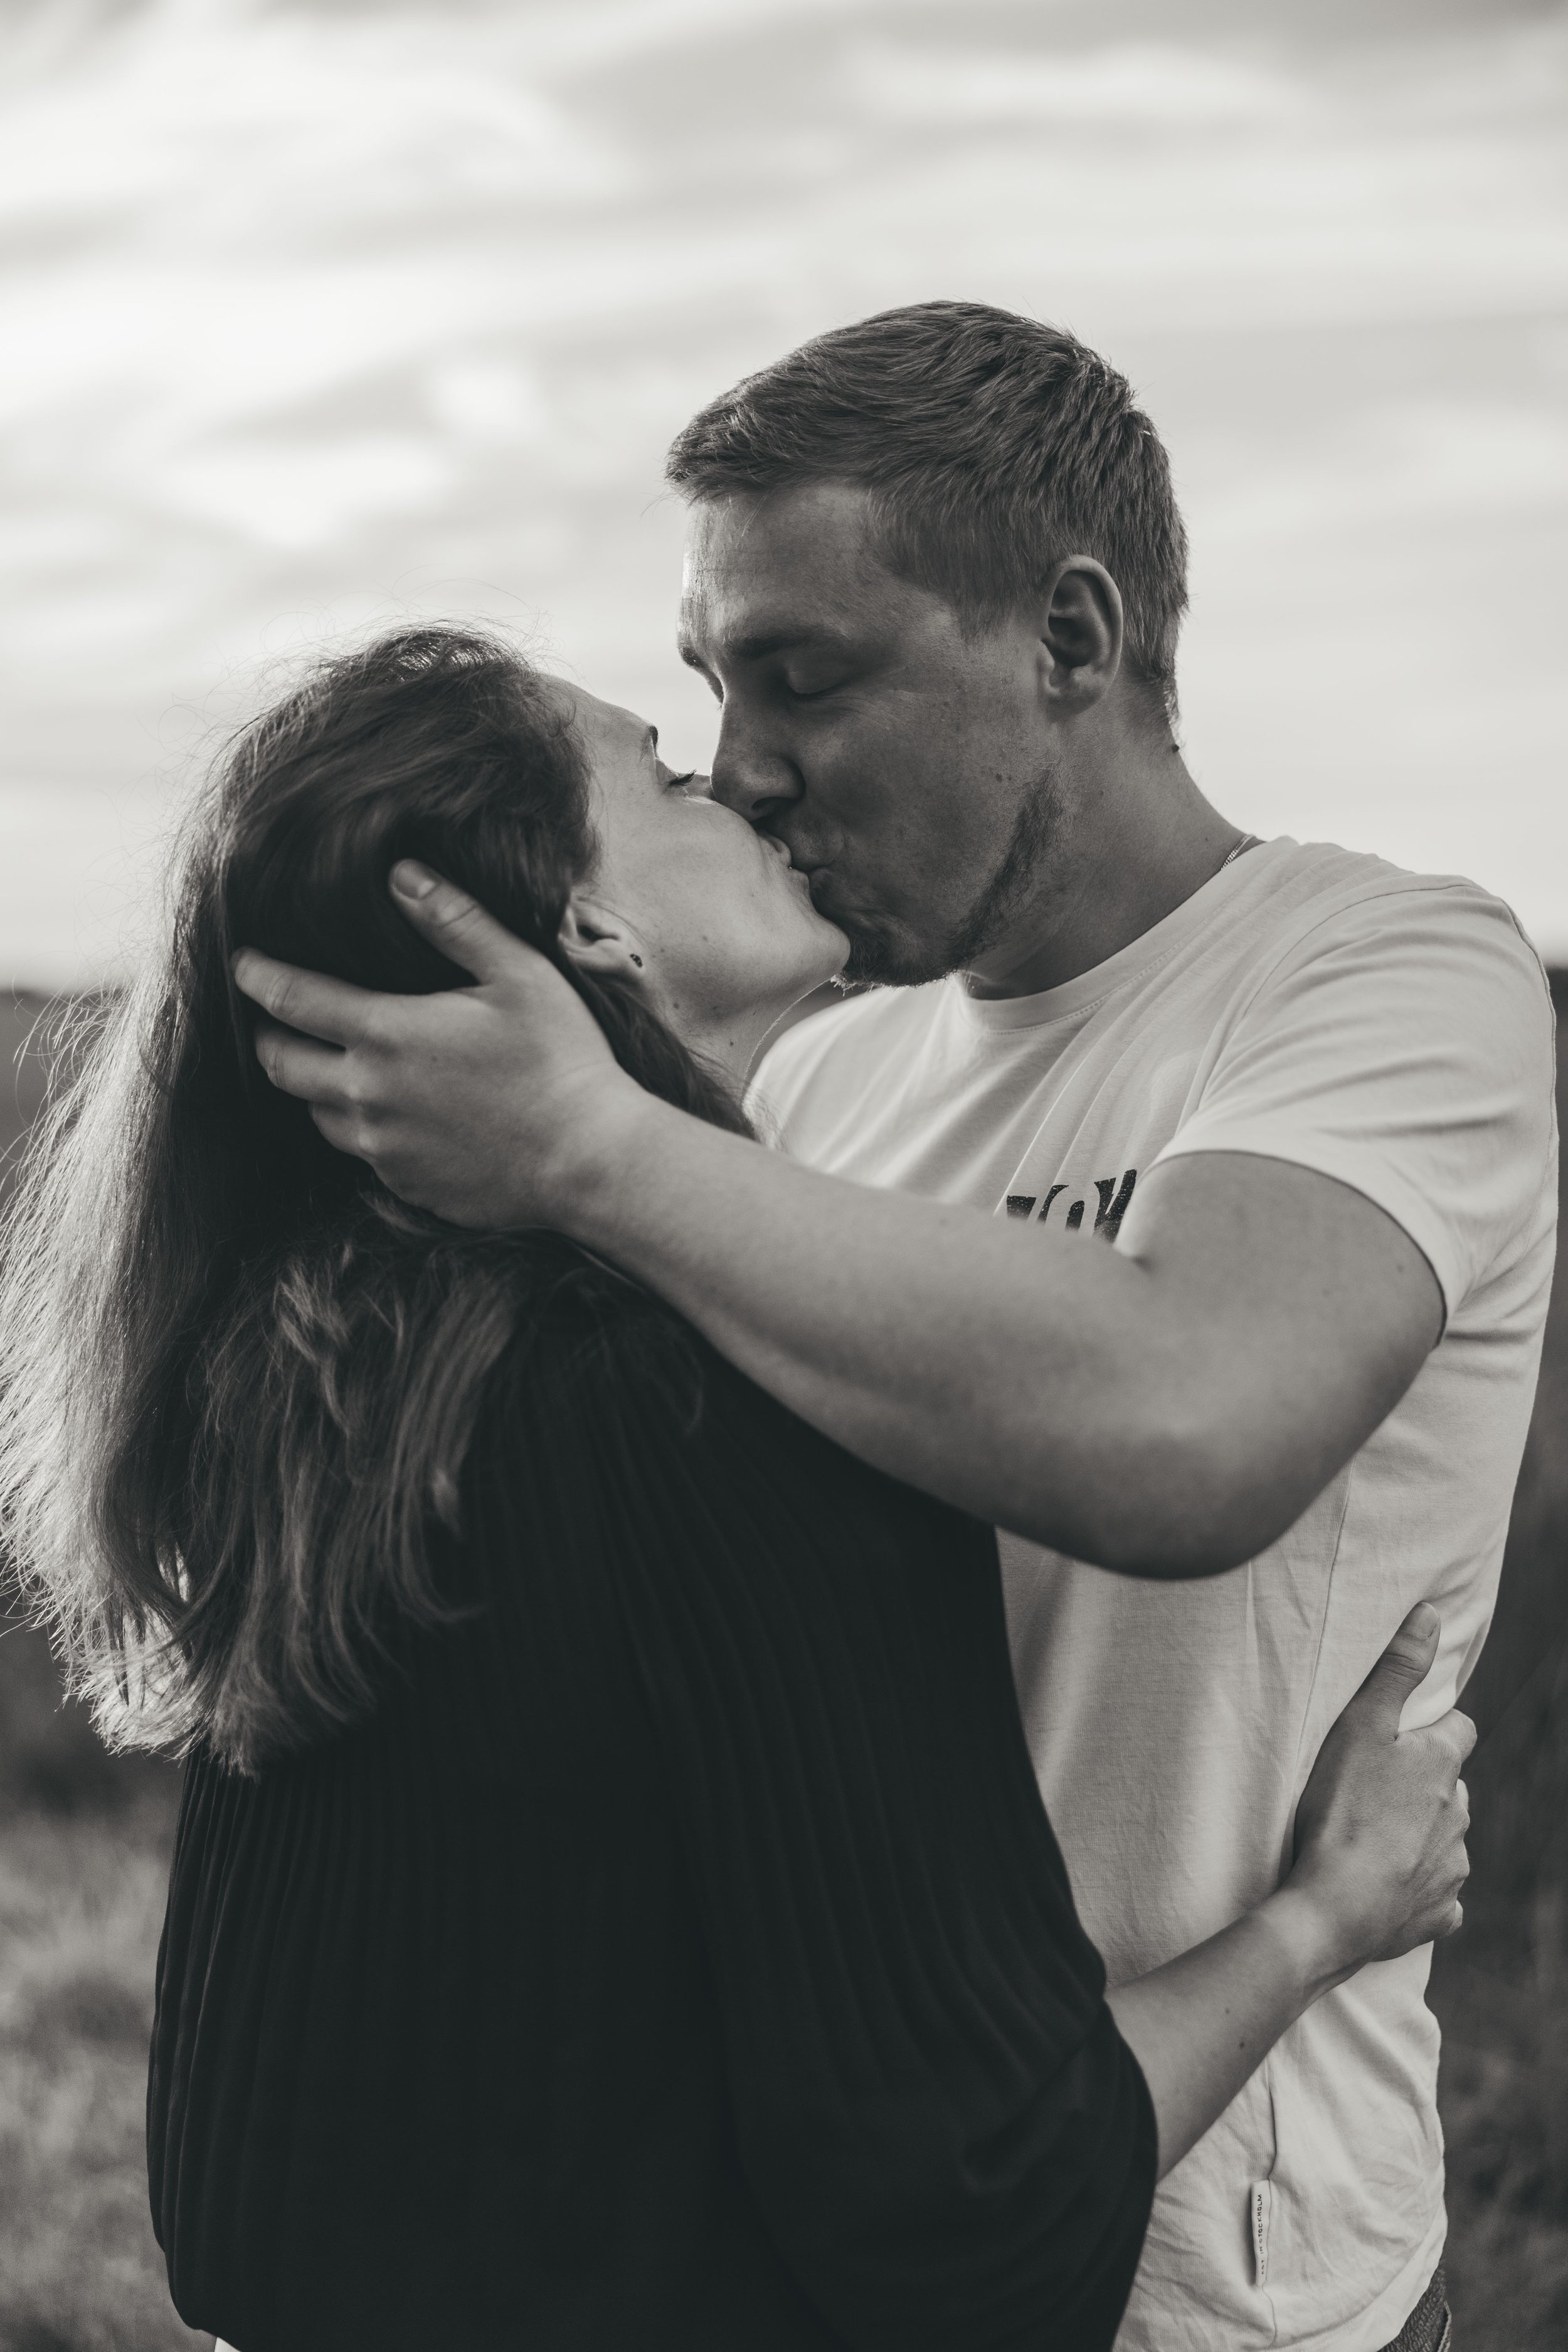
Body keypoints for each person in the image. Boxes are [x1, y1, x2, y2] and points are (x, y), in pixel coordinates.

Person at [234, 306, 1557, 2352]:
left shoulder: (1384, 978)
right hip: (825, 2257)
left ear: (1073, 638)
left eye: (805, 676)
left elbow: (1190, 1425)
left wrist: (589, 1146)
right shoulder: (809, 1093)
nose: (748, 764)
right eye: (708, 692)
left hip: (1223, 2281)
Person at [0, 628, 1472, 2352]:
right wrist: (1321, 1918)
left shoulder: (317, 1385)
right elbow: (980, 2216)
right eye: (670, 774)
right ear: (587, 932)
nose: (745, 779)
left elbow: (264, 2181)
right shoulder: (709, 1408)